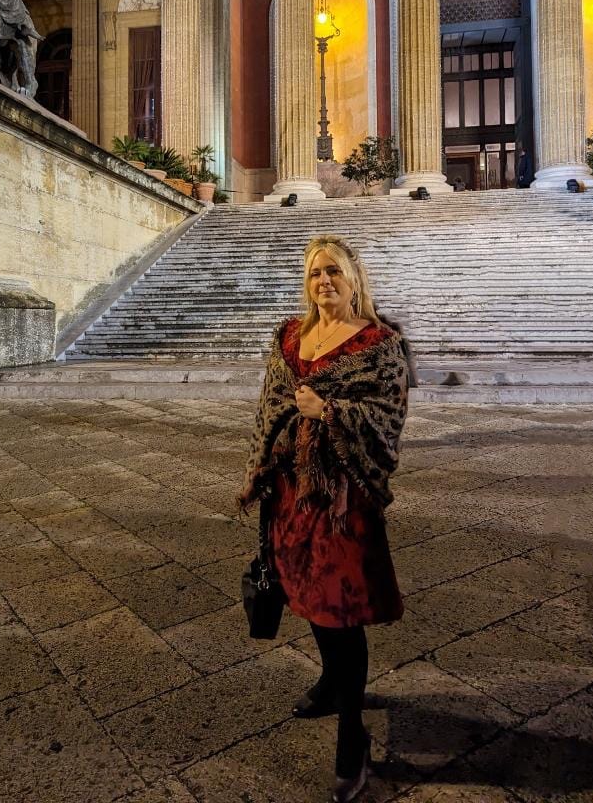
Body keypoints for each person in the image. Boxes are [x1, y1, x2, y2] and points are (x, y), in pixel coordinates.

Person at [240, 234, 411, 803]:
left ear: (354, 278)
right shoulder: (289, 336)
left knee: (340, 609)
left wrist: (330, 410)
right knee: (308, 599)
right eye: (315, 273)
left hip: (341, 502)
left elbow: (387, 419)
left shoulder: (380, 345)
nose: (324, 282)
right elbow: (268, 408)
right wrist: (262, 467)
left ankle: (352, 735)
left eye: (334, 271)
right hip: (290, 494)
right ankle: (333, 681)